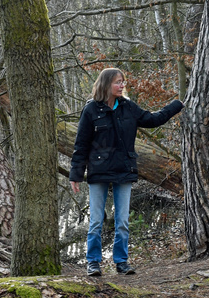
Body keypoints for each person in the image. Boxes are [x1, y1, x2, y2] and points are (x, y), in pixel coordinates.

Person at [69, 68, 183, 277]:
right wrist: (76, 174)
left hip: (124, 169)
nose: (121, 86)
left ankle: (121, 262)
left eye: (122, 82)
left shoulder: (128, 107)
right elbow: (81, 144)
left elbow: (153, 119)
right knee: (95, 221)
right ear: (105, 85)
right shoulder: (91, 110)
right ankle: (93, 262)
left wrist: (177, 105)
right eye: (117, 82)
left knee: (122, 221)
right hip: (99, 171)